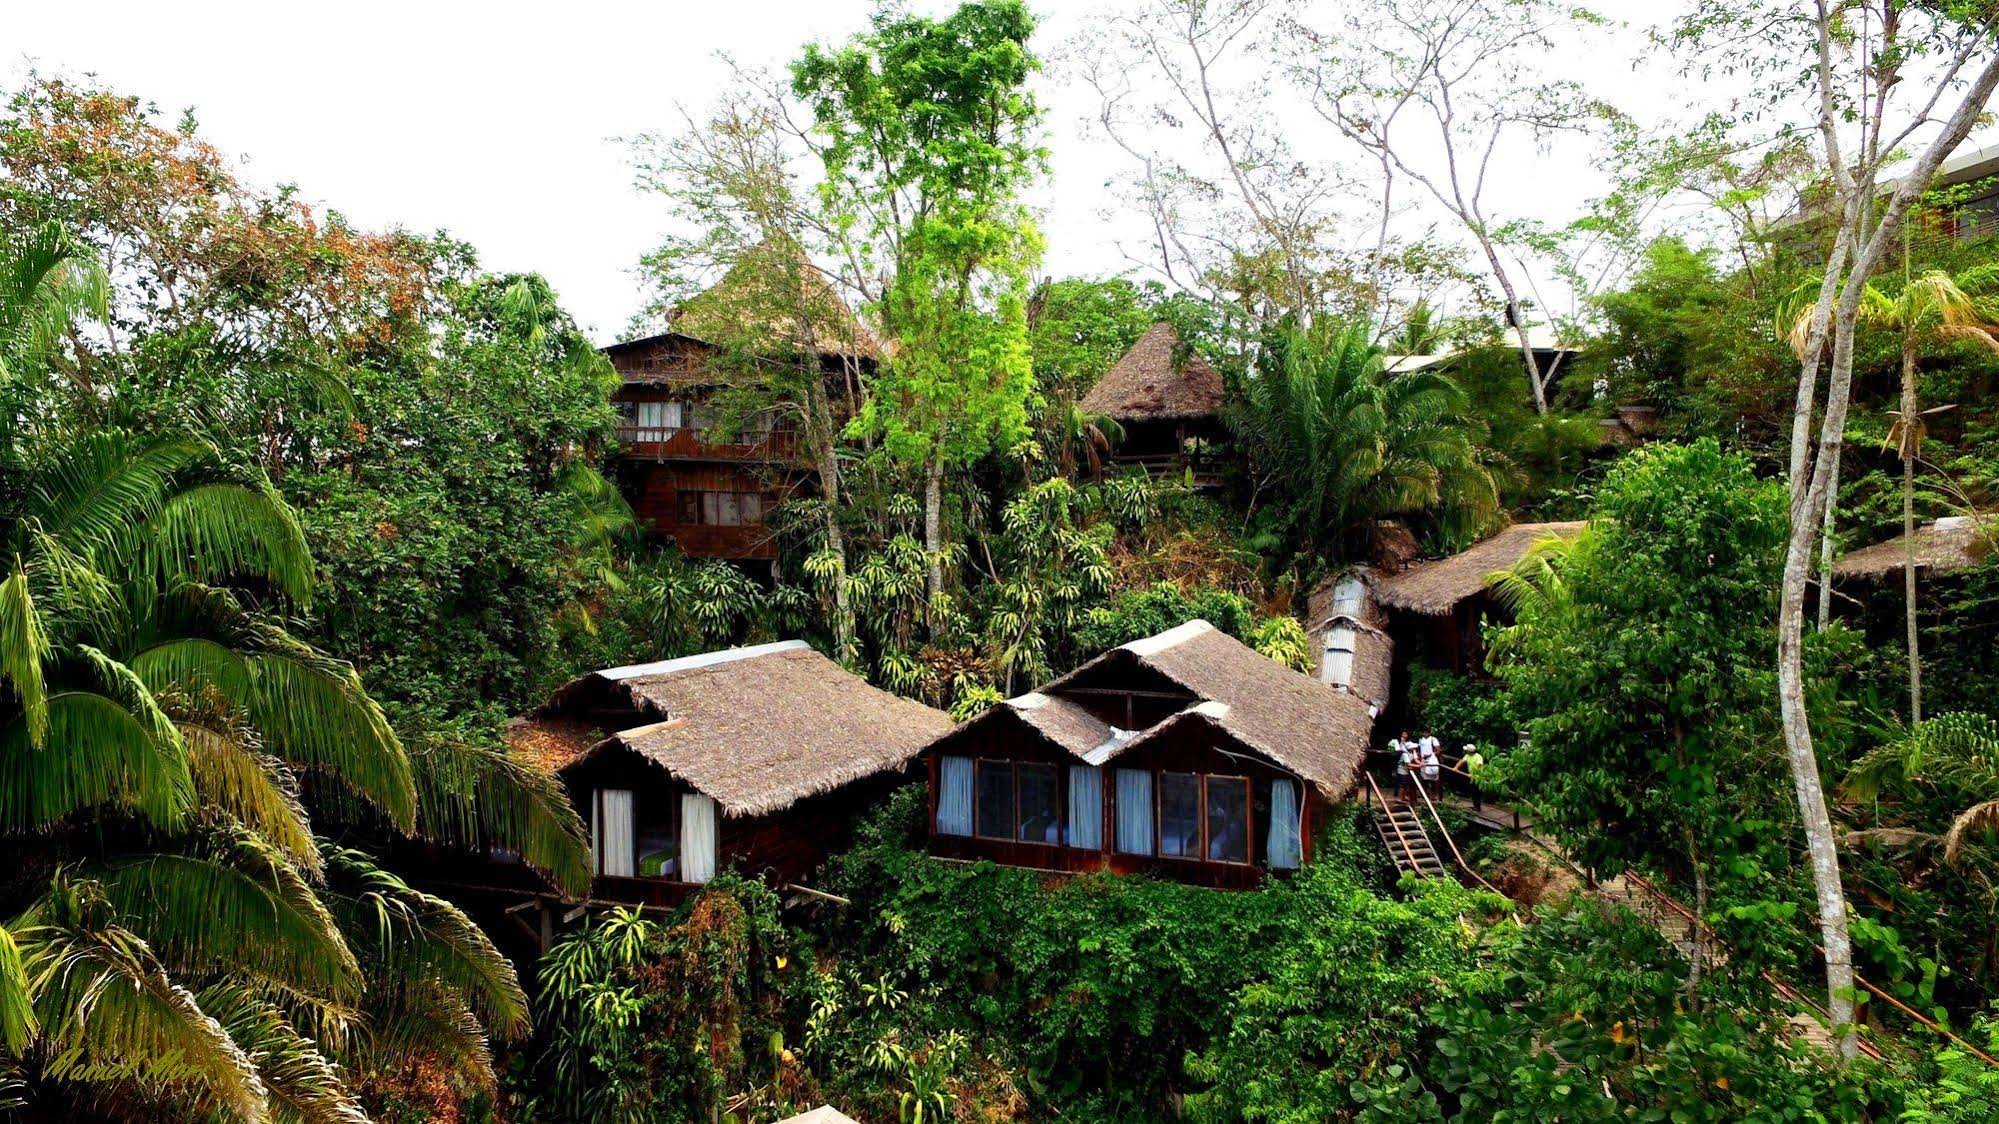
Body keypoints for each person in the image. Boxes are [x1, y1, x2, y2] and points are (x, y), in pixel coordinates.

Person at [1394, 730, 1419, 802]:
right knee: (1402, 784)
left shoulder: (1412, 752)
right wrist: (1419, 766)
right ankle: (1399, 798)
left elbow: (1416, 759)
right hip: (1402, 769)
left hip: (1407, 769)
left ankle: (1404, 796)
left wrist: (1420, 763)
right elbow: (1408, 764)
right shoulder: (1405, 754)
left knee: (1406, 784)